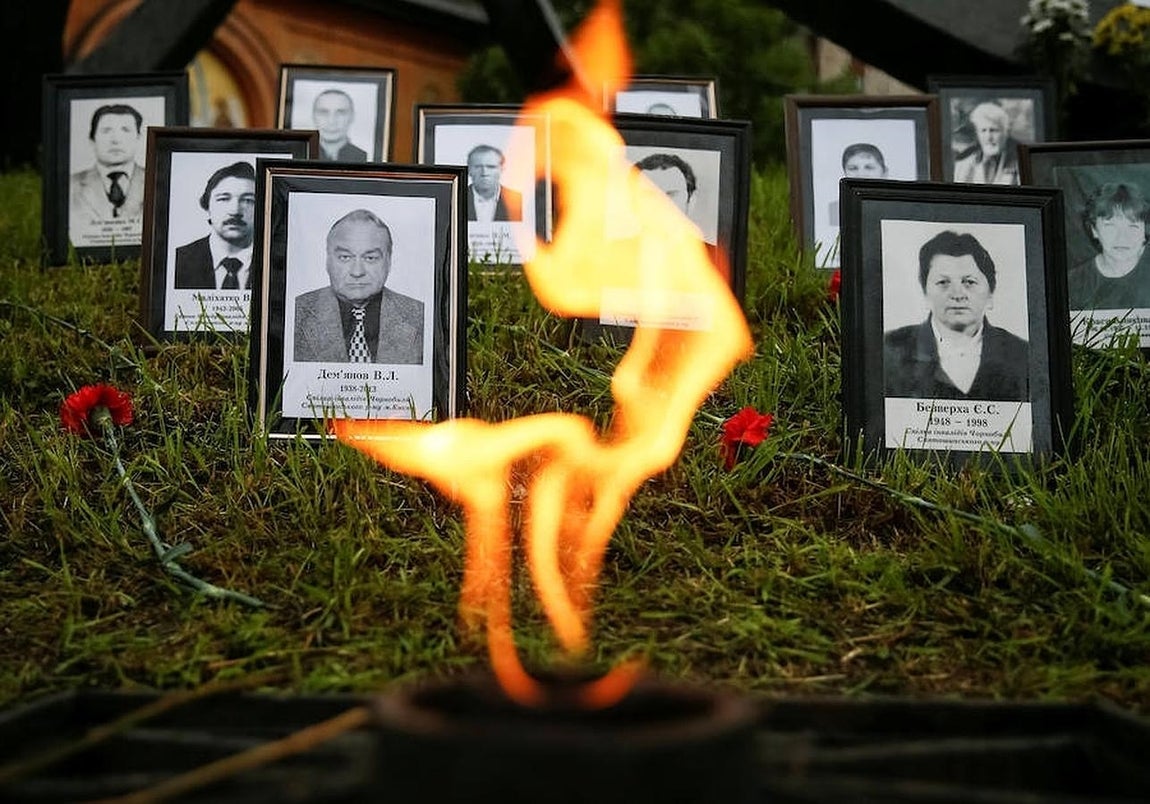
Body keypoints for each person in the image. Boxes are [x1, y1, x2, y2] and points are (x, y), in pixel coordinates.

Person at [884, 230, 1029, 400]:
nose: (958, 294)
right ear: (925, 293)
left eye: (969, 282)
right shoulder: (889, 350)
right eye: (943, 282)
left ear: (990, 293)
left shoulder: (1023, 355)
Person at [294, 209, 423, 364]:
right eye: (345, 257)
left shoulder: (420, 316)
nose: (357, 272)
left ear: (388, 262)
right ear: (328, 261)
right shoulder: (295, 313)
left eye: (370, 258)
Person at [174, 161, 256, 290]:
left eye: (248, 200)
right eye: (223, 199)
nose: (235, 211)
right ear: (207, 207)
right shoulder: (178, 260)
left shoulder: (278, 263)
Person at [1069, 182, 1150, 311]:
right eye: (1110, 226)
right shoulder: (1073, 283)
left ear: (1144, 232)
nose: (1122, 238)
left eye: (1133, 227)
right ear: (1094, 230)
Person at [69, 103, 147, 231]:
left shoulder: (156, 180)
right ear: (92, 139)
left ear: (138, 138)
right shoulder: (71, 185)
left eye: (125, 130)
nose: (116, 140)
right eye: (106, 131)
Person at [952, 101, 1020, 186]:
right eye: (983, 131)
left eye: (994, 130)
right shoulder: (963, 166)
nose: (988, 137)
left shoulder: (1019, 165)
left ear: (1005, 133)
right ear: (977, 134)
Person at [828, 142, 888, 224]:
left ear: (884, 172)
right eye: (853, 168)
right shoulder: (836, 209)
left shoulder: (895, 205)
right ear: (844, 173)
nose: (861, 174)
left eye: (869, 167)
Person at [466, 144, 522, 222]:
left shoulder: (518, 201)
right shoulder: (456, 198)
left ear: (502, 169)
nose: (484, 173)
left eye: (491, 167)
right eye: (478, 167)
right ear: (469, 169)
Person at [313, 89, 367, 162]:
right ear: (313, 116)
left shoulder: (365, 157)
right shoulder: (302, 155)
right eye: (324, 112)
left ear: (352, 116)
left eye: (340, 113)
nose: (331, 121)